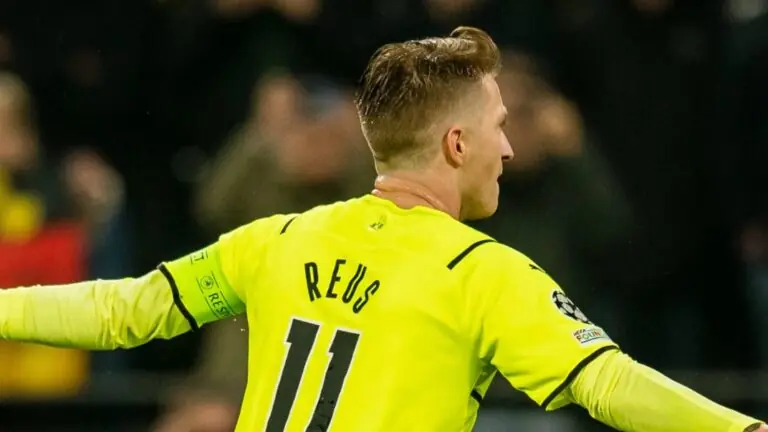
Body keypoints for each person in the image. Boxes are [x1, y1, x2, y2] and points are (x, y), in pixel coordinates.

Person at [0, 27, 764, 432]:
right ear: (457, 144)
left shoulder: (280, 240)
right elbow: (608, 383)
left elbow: (122, 310)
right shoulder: (483, 274)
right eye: (497, 126)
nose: (507, 147)